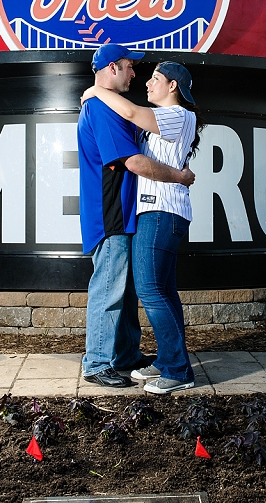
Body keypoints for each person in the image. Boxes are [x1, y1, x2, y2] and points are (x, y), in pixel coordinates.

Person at [82, 60, 204, 394]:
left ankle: (177, 370)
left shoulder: (178, 115)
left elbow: (133, 115)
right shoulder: (163, 121)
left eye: (156, 78)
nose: (147, 83)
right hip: (157, 212)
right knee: (162, 290)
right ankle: (168, 361)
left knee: (150, 290)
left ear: (173, 87)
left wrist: (95, 90)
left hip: (161, 212)